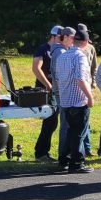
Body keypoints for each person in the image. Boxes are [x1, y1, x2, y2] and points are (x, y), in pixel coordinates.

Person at [54, 28, 95, 173]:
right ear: (85, 42)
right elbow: (80, 78)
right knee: (79, 132)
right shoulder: (80, 56)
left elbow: (58, 79)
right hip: (78, 100)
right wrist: (89, 97)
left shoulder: (62, 56)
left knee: (70, 131)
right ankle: (77, 162)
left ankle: (63, 161)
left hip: (65, 100)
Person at [32, 25, 63, 161]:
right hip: (46, 90)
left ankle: (42, 151)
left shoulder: (61, 49)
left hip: (57, 90)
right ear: (54, 36)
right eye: (61, 37)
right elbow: (36, 68)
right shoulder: (43, 49)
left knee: (51, 122)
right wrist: (48, 84)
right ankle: (41, 153)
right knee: (50, 121)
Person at [50, 27, 75, 158]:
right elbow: (59, 74)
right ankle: (64, 156)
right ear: (64, 37)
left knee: (67, 123)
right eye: (72, 38)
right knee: (66, 124)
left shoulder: (61, 50)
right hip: (62, 93)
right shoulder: (60, 52)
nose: (74, 41)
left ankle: (65, 155)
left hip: (61, 91)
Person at [76, 23, 98, 156]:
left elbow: (94, 67)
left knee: (86, 120)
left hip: (87, 86)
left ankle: (87, 149)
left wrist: (93, 82)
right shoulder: (72, 48)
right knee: (79, 121)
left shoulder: (91, 48)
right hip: (77, 87)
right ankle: (81, 149)